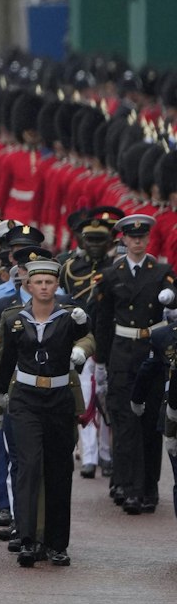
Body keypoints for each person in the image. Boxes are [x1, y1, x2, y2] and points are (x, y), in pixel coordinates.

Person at [0, 259, 93, 567]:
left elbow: (88, 336)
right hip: (25, 398)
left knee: (59, 469)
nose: (45, 287)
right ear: (29, 286)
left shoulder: (69, 317)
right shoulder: (14, 320)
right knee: (29, 465)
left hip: (59, 398)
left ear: (56, 286)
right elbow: (6, 359)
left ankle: (57, 544)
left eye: (50, 282)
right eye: (39, 282)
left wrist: (84, 329)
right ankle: (28, 538)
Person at [91, 213, 176, 515]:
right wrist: (100, 362)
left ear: (147, 239)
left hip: (151, 354)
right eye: (132, 237)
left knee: (150, 422)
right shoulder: (111, 275)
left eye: (142, 237)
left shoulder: (162, 272)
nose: (138, 241)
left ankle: (149, 487)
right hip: (122, 351)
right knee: (125, 421)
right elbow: (102, 321)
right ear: (123, 239)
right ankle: (129, 486)